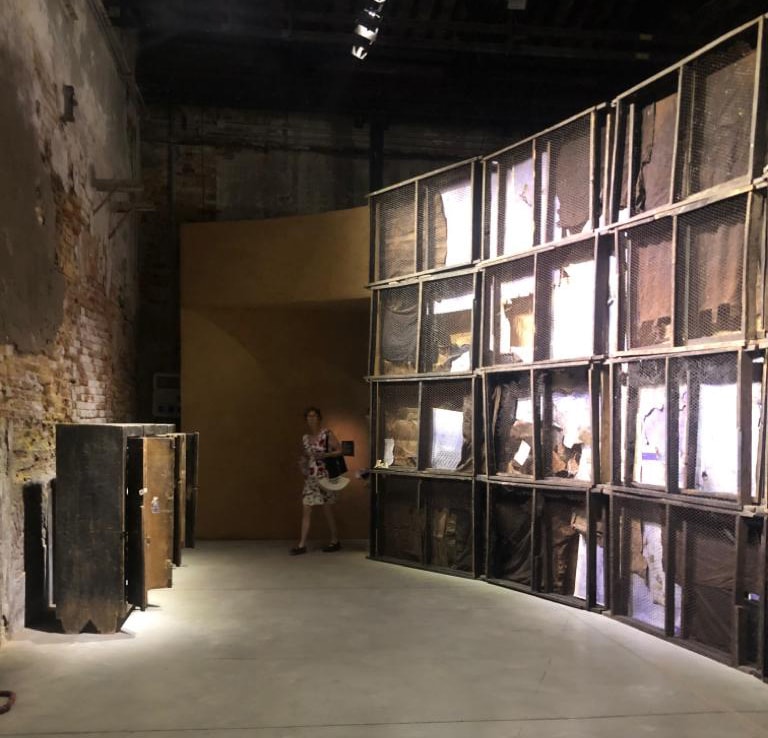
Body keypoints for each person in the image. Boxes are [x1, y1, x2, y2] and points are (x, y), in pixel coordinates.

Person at [290, 406, 343, 555]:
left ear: (319, 418)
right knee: (306, 507)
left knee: (327, 508)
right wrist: (303, 462)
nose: (311, 419)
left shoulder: (326, 434)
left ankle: (335, 540)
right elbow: (307, 456)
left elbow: (339, 450)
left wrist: (326, 455)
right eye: (309, 416)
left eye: (314, 416)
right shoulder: (305, 438)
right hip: (311, 477)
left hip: (324, 475)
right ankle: (301, 544)